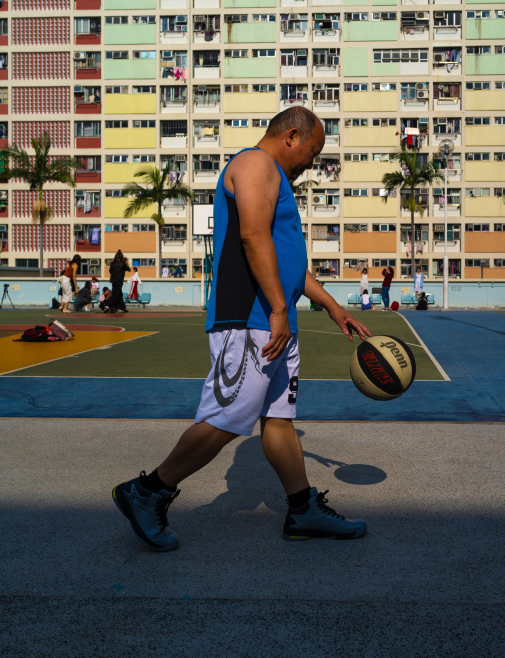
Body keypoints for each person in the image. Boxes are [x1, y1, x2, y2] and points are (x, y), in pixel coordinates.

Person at [112, 107, 372, 552]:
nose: (313, 162)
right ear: (292, 136)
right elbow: (253, 236)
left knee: (279, 420)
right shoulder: (255, 164)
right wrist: (275, 309)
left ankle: (303, 509)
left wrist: (330, 305)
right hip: (251, 318)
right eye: (314, 151)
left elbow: (284, 260)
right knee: (228, 418)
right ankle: (148, 491)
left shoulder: (276, 177)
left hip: (274, 321)